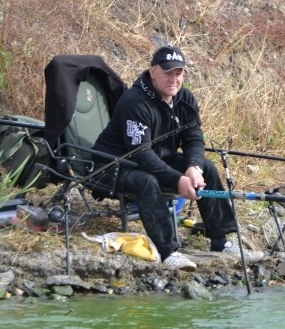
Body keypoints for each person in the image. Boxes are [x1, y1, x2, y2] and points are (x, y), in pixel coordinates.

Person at [92, 45, 264, 271]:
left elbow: (194, 138)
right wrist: (177, 180)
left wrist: (193, 167)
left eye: (178, 73)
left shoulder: (185, 99)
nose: (174, 79)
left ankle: (221, 242)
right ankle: (169, 252)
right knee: (147, 181)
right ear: (153, 71)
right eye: (168, 73)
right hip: (112, 166)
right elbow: (142, 154)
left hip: (156, 158)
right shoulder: (135, 102)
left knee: (207, 168)